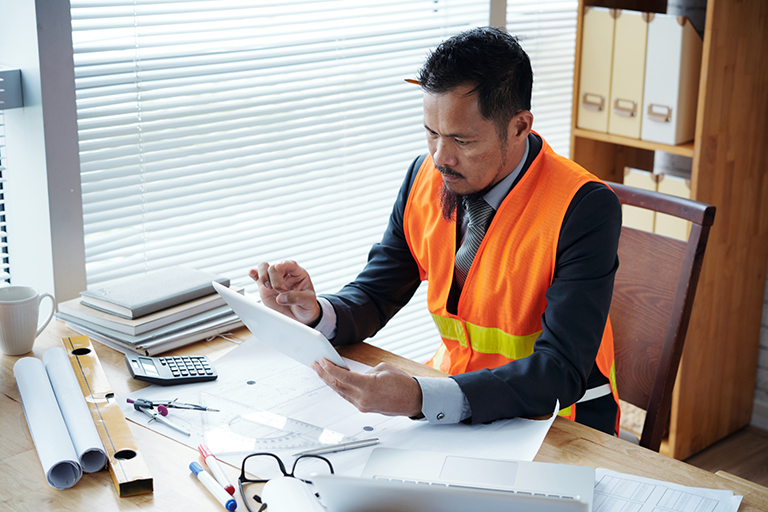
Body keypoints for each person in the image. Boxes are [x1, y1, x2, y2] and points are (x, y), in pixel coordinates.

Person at [251, 27, 622, 435]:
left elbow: (561, 368)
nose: (441, 158)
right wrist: (317, 313)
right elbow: (377, 292)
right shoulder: (423, 177)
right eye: (431, 133)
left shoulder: (583, 207)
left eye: (462, 140)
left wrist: (419, 397)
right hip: (455, 406)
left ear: (519, 127)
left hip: (556, 422)